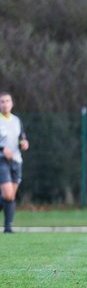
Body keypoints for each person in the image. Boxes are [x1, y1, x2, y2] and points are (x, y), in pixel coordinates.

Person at [0, 91, 29, 233]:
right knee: (7, 194)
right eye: (2, 101)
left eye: (7, 101)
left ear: (12, 103)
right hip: (2, 161)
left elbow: (21, 137)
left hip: (17, 160)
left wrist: (24, 143)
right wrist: (2, 149)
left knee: (10, 196)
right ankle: (8, 226)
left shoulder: (17, 120)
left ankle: (8, 227)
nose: (5, 104)